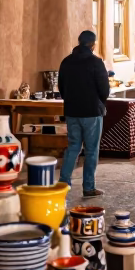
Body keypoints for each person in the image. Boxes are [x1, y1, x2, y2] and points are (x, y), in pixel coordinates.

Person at [58, 29, 110, 197]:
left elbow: (61, 87)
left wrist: (70, 101)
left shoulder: (66, 62)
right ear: (92, 45)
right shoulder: (96, 62)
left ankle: (63, 183)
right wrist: (100, 102)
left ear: (79, 42)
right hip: (92, 111)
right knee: (92, 150)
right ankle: (88, 187)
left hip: (72, 111)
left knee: (73, 147)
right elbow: (104, 88)